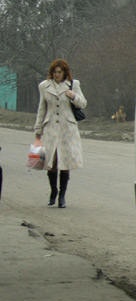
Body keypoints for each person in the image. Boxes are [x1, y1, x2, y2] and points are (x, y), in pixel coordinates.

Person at [34, 59, 86, 207]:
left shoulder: (73, 84)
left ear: (64, 72)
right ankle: (53, 191)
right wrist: (38, 129)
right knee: (52, 162)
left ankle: (62, 196)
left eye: (60, 72)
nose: (57, 75)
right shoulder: (44, 86)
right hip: (51, 127)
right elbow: (42, 108)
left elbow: (83, 103)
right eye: (55, 72)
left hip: (67, 128)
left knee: (65, 161)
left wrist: (73, 96)